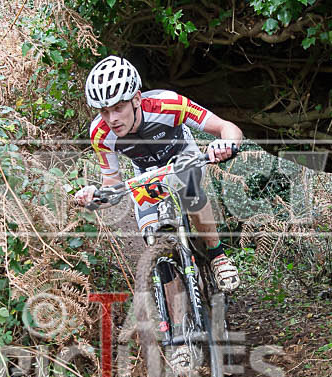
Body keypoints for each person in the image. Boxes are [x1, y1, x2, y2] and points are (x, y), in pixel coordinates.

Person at [74, 55, 242, 293]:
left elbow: (227, 127)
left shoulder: (168, 104)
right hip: (146, 172)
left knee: (190, 189)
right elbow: (112, 185)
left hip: (182, 155)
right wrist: (94, 196)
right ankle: (178, 325)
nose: (112, 119)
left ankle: (218, 256)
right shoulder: (100, 134)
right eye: (104, 111)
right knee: (151, 237)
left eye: (118, 107)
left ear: (136, 99)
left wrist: (226, 144)